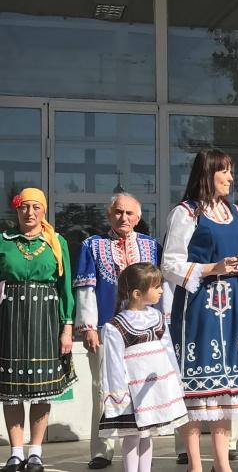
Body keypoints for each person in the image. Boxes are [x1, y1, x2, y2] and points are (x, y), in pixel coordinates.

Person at [161, 149, 238, 472]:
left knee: (225, 390)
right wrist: (210, 268)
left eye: (231, 171)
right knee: (194, 387)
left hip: (232, 305)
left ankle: (222, 464)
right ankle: (195, 465)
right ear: (208, 174)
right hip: (197, 307)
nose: (231, 178)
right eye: (225, 171)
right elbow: (169, 264)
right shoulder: (185, 213)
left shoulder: (235, 212)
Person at [73, 193, 161, 470]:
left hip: (144, 329)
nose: (123, 217)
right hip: (106, 329)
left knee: (147, 387)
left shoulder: (152, 246)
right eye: (118, 212)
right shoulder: (92, 245)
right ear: (109, 215)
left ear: (138, 217)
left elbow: (161, 289)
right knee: (103, 388)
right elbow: (86, 288)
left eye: (129, 213)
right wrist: (88, 326)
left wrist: (162, 325)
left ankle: (149, 451)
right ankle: (102, 450)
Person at [0, 188, 77, 472]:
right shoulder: (4, 241)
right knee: (11, 389)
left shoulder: (56, 241)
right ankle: (15, 452)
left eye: (36, 207)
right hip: (9, 319)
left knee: (41, 389)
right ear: (17, 210)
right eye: (24, 207)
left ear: (44, 210)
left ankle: (35, 452)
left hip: (45, 319)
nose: (29, 212)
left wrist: (66, 328)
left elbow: (65, 287)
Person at [98, 263, 188, 472]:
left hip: (154, 390)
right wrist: (120, 396)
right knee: (132, 436)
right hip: (132, 393)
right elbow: (113, 365)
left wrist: (175, 380)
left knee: (147, 435)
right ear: (137, 294)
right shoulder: (115, 326)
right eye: (156, 287)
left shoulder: (157, 317)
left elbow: (168, 351)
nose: (161, 290)